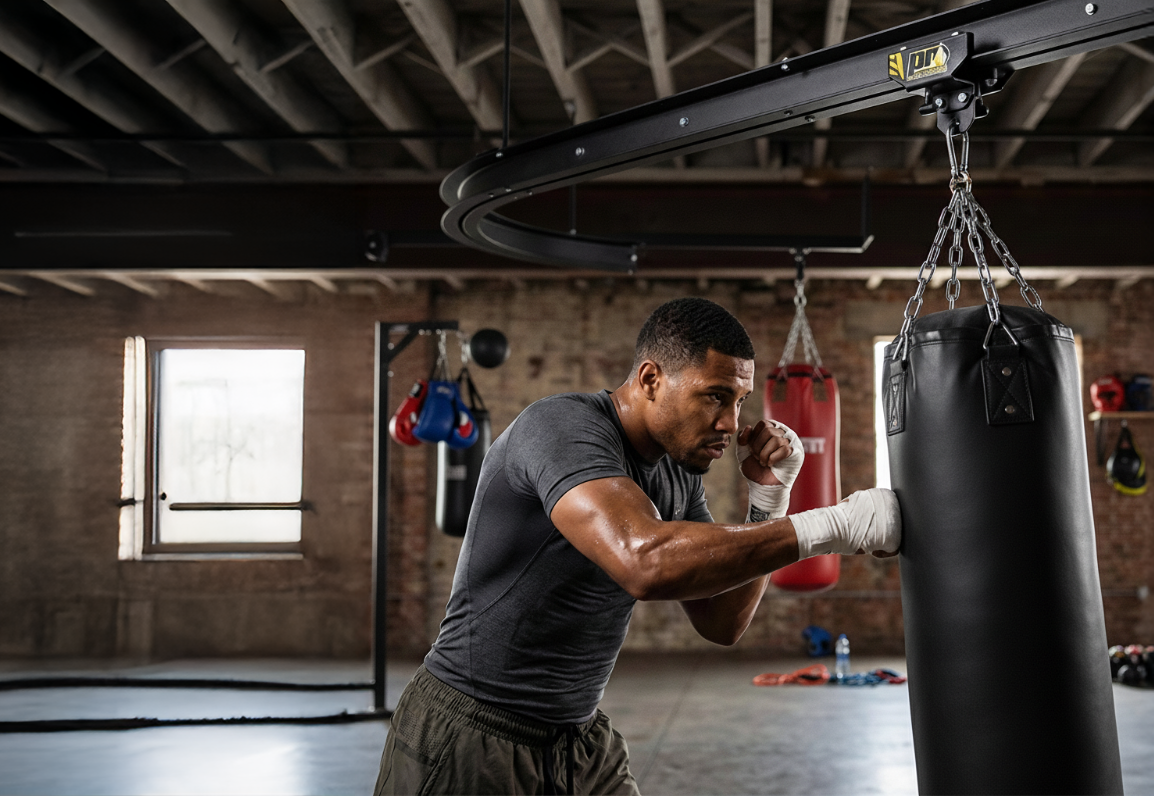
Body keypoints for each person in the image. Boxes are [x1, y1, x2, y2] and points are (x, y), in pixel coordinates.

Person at [374, 297, 901, 795]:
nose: (731, 423)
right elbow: (643, 561)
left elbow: (722, 621)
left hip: (580, 740)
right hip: (473, 731)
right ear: (651, 379)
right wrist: (833, 525)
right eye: (715, 396)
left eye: (739, 401)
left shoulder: (678, 472)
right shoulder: (561, 428)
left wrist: (768, 504)